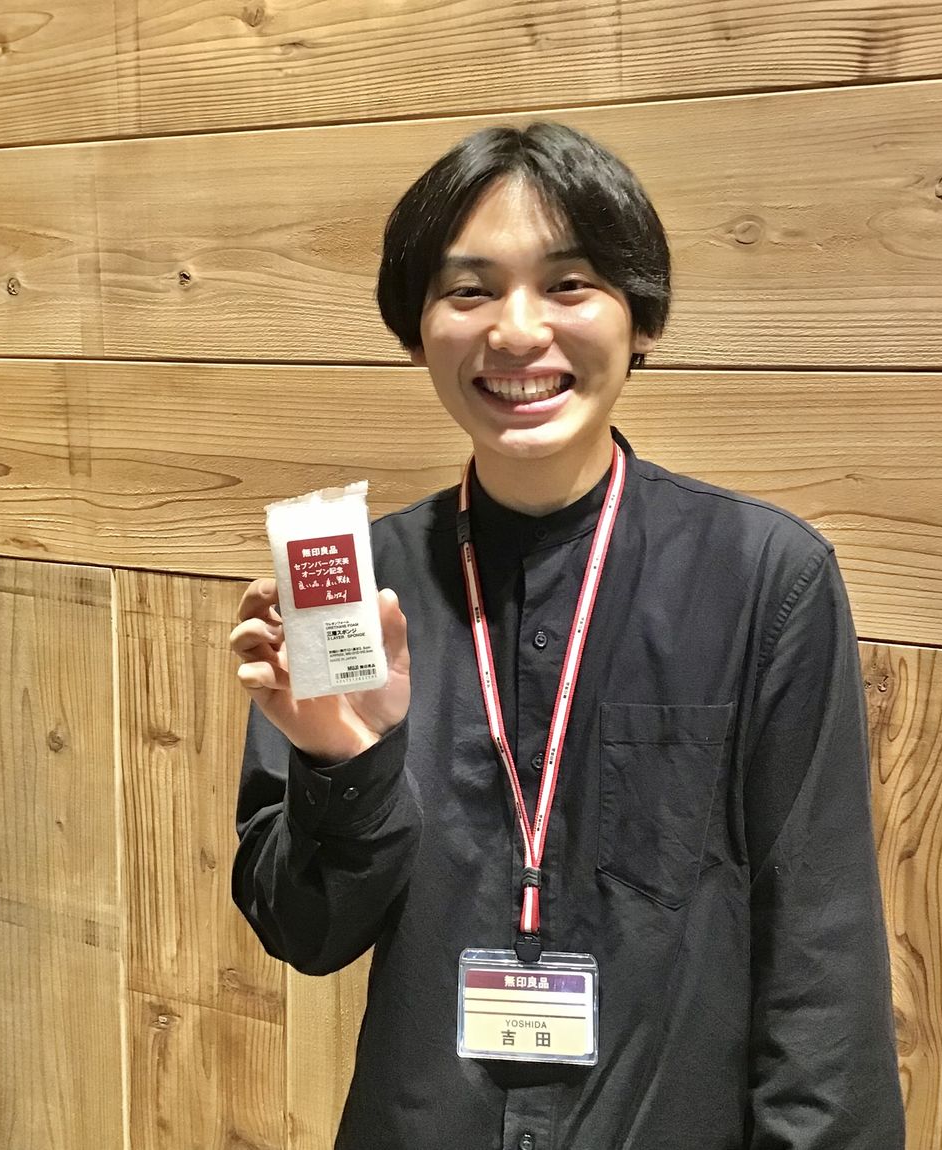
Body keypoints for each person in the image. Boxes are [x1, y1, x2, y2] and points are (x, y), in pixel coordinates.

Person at [230, 121, 905, 1150]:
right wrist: (342, 763)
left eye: (569, 283)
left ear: (643, 319)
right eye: (468, 290)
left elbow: (822, 973)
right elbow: (306, 933)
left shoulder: (765, 578)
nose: (515, 331)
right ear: (415, 330)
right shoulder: (354, 590)